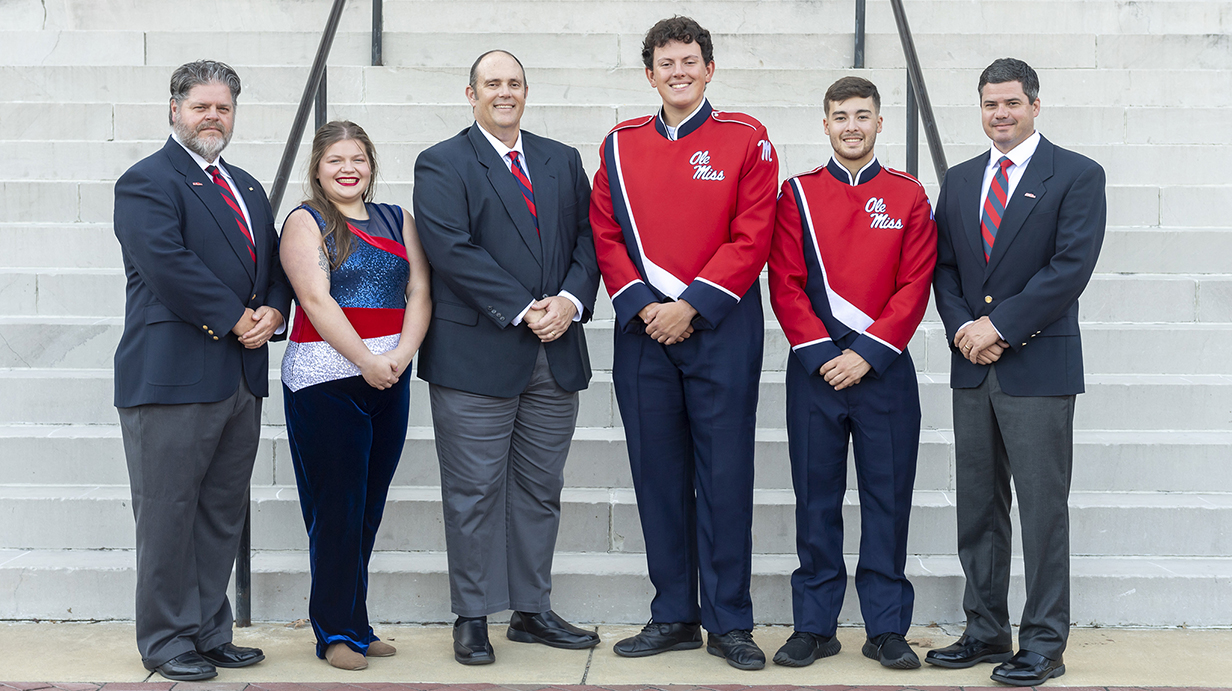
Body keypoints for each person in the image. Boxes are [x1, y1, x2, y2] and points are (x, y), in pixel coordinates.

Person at [589, 16, 778, 671]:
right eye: (666, 63)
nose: (678, 72)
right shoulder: (619, 143)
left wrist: (691, 306)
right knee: (658, 477)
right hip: (644, 335)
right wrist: (647, 307)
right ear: (649, 74)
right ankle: (673, 613)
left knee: (724, 477)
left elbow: (753, 236)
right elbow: (605, 235)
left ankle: (730, 621)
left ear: (709, 68)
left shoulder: (746, 138)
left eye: (689, 61)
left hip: (721, 331)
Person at [412, 49, 602, 665]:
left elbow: (586, 238)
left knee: (540, 489)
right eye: (492, 83)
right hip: (478, 354)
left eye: (514, 83)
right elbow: (451, 248)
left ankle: (531, 609)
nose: (504, 92)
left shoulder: (561, 159)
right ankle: (472, 616)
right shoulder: (442, 162)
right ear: (470, 94)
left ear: (527, 91)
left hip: (556, 351)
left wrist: (571, 300)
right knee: (473, 493)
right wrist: (527, 308)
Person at [113, 59, 292, 681]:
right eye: (201, 107)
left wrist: (273, 307)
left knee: (220, 513)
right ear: (174, 110)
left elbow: (270, 260)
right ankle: (165, 641)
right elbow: (167, 264)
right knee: (167, 517)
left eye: (223, 108)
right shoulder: (146, 181)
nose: (212, 117)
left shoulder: (244, 185)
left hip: (239, 378)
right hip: (171, 379)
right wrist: (235, 317)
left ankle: (210, 631)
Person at [928, 58, 1106, 687]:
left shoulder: (1077, 175)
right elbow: (944, 267)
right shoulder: (961, 179)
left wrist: (997, 328)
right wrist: (962, 330)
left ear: (1034, 104)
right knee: (978, 509)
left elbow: (1069, 269)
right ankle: (984, 630)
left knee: (1041, 510)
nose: (999, 114)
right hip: (973, 367)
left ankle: (1044, 643)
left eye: (1011, 103)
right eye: (989, 104)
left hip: (1036, 367)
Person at [767, 76, 936, 670]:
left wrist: (867, 353)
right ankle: (815, 625)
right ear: (825, 124)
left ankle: (886, 628)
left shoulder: (909, 195)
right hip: (815, 372)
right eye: (840, 116)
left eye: (862, 115)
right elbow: (784, 284)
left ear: (880, 123)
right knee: (816, 501)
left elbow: (916, 284)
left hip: (884, 371)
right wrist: (822, 355)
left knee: (888, 501)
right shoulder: (797, 195)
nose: (852, 126)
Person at [279, 121, 432, 670]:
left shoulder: (397, 218)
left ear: (371, 165)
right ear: (318, 169)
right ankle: (334, 631)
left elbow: (419, 290)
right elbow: (316, 301)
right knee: (336, 508)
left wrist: (399, 357)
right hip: (326, 378)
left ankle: (358, 624)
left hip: (389, 376)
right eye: (335, 160)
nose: (348, 169)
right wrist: (366, 360)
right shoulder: (306, 220)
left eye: (358, 159)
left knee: (367, 507)